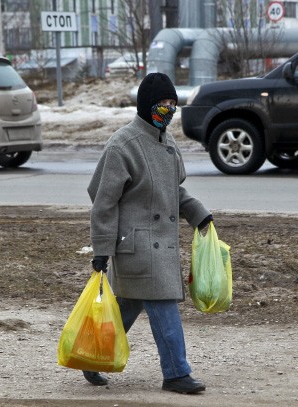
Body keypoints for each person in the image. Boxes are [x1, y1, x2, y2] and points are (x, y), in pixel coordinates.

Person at [85, 72, 213, 394]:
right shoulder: (123, 145)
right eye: (162, 104)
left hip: (160, 245)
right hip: (137, 247)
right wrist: (102, 248)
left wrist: (199, 215)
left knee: (127, 308)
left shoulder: (167, 141)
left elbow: (175, 192)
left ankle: (92, 358)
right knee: (164, 305)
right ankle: (176, 374)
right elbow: (102, 201)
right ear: (146, 105)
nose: (168, 110)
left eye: (173, 104)